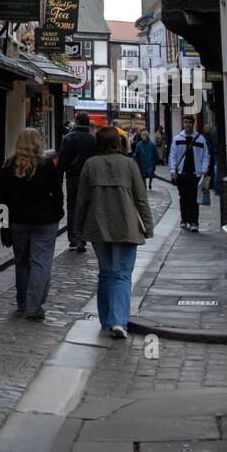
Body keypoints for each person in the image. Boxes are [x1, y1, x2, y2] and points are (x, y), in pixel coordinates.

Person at [75, 125, 155, 339]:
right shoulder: (129, 165)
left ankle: (107, 320)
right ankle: (119, 320)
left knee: (106, 273)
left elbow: (81, 201)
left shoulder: (90, 165)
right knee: (121, 274)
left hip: (98, 226)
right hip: (126, 226)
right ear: (117, 143)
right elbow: (141, 199)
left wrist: (78, 229)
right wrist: (147, 226)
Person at [0, 128, 63, 321]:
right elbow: (57, 193)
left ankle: (23, 304)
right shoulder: (47, 165)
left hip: (18, 221)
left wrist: (3, 226)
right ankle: (33, 307)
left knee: (22, 263)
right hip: (44, 221)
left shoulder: (9, 166)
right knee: (40, 263)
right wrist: (58, 213)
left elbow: (1, 198)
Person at [57, 111, 97, 251]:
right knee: (85, 207)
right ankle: (82, 239)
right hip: (89, 178)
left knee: (72, 207)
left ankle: (73, 238)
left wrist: (58, 178)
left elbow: (62, 160)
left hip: (72, 177)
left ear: (77, 121)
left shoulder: (69, 138)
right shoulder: (93, 139)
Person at [168, 114, 211, 232]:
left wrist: (204, 169)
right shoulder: (177, 139)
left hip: (195, 173)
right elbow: (173, 156)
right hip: (182, 173)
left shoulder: (200, 139)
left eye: (190, 122)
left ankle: (194, 222)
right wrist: (172, 170)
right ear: (183, 123)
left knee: (194, 199)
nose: (188, 125)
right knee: (183, 198)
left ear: (193, 124)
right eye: (186, 122)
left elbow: (206, 155)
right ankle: (184, 220)